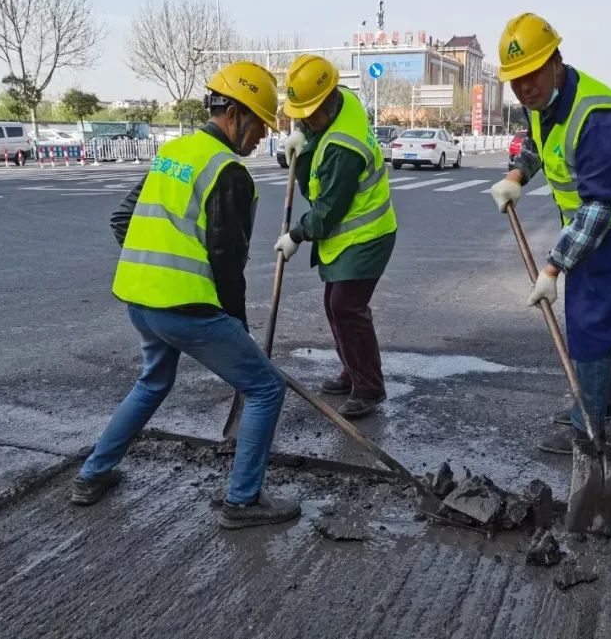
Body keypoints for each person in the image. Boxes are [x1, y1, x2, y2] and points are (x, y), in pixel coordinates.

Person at [71, 61, 301, 530]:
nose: (260, 137)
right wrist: (235, 324)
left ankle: (91, 475)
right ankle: (243, 501)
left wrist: (154, 269)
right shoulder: (228, 172)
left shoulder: (172, 153)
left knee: (153, 382)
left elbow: (123, 219)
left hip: (140, 301)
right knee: (264, 387)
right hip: (187, 309)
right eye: (258, 124)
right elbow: (226, 262)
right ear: (235, 115)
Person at [488, 13, 611, 453]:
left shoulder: (596, 117)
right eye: (516, 81)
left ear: (555, 61)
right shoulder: (545, 104)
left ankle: (587, 428)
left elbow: (597, 209)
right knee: (598, 321)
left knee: (591, 323)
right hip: (597, 223)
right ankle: (602, 403)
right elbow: (538, 144)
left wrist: (552, 269)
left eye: (531, 75)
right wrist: (516, 175)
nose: (525, 88)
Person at [273, 54, 398, 419]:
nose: (306, 119)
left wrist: (296, 234)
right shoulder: (342, 98)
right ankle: (353, 369)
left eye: (310, 113)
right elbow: (316, 140)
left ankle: (370, 386)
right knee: (336, 305)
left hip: (368, 235)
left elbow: (326, 210)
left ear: (329, 101)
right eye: (301, 113)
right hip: (349, 237)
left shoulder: (343, 148)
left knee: (346, 306)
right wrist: (305, 136)